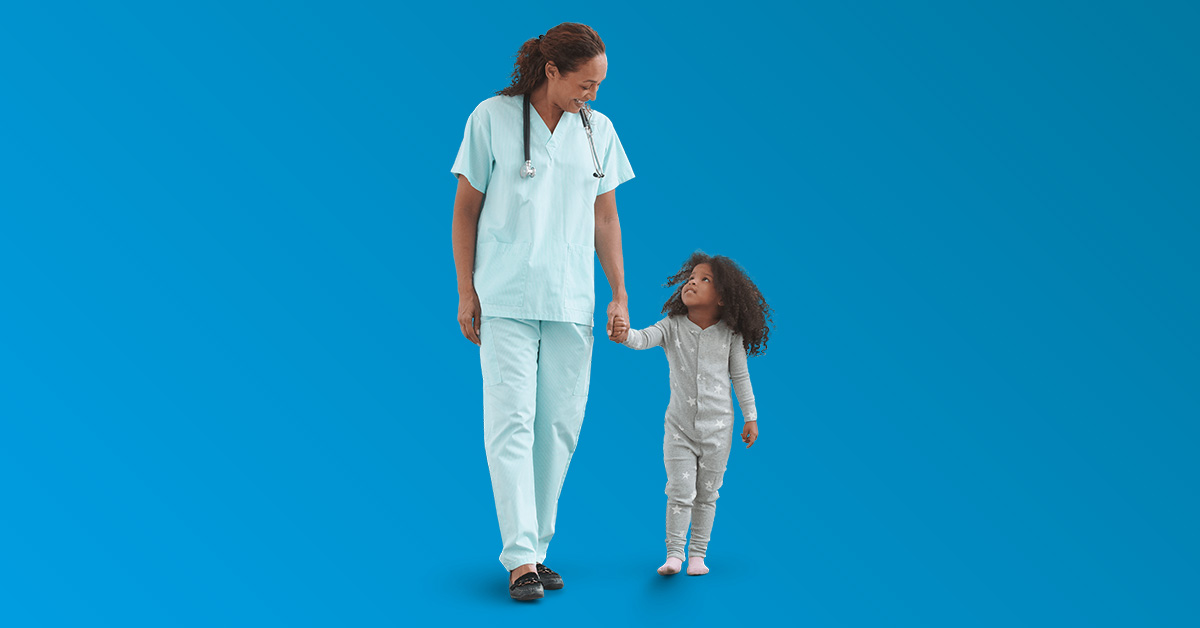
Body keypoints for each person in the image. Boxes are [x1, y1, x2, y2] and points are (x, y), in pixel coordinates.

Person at [450, 22, 635, 601]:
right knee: (512, 423)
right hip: (504, 296)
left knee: (558, 428)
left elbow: (606, 217)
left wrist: (619, 293)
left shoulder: (598, 130)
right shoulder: (491, 118)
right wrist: (466, 291)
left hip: (570, 298)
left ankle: (539, 548)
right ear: (551, 71)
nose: (594, 95)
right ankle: (520, 560)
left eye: (600, 84)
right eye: (586, 83)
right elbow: (465, 211)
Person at [610, 252, 772, 576]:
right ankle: (674, 554)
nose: (692, 282)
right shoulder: (671, 327)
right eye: (691, 277)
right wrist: (624, 334)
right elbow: (643, 339)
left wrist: (750, 416)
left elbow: (740, 377)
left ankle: (698, 554)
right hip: (679, 430)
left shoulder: (730, 335)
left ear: (723, 297)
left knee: (708, 493)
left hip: (719, 430)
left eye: (703, 279)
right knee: (680, 489)